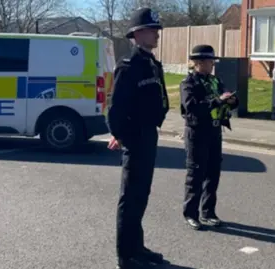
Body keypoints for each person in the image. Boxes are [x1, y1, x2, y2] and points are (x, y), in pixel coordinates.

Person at [106, 7, 169, 269]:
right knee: (130, 197)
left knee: (141, 195)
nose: (156, 34)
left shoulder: (152, 64)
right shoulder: (128, 66)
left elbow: (161, 98)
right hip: (135, 136)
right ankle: (126, 255)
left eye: (157, 30)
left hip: (149, 135)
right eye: (152, 30)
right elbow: (115, 105)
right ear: (138, 33)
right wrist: (119, 134)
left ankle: (137, 247)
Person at [180, 44, 239, 230]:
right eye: (209, 61)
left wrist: (231, 101)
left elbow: (224, 102)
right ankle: (191, 214)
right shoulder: (188, 83)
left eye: (213, 60)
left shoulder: (215, 81)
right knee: (196, 175)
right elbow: (192, 107)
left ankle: (208, 212)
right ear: (198, 62)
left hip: (214, 132)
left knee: (213, 174)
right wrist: (217, 100)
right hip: (197, 133)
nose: (212, 64)